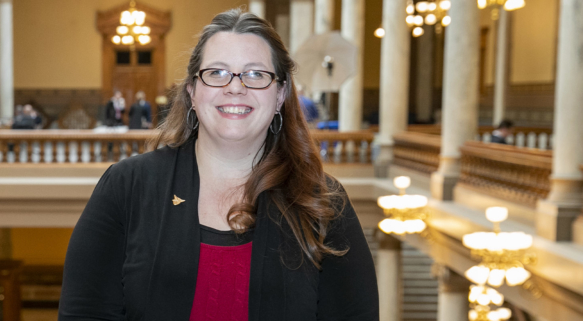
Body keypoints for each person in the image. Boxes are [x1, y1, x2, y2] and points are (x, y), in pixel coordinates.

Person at [59, 8, 378, 320]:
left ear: (280, 95)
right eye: (217, 73)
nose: (235, 87)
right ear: (192, 92)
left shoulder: (323, 203)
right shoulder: (126, 187)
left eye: (255, 74)